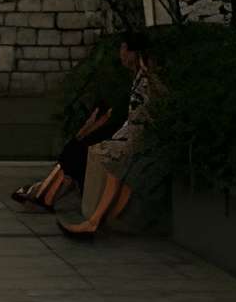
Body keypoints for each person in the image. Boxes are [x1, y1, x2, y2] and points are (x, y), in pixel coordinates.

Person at [58, 31, 162, 239]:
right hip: (133, 135)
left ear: (133, 52)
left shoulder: (148, 78)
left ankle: (95, 221)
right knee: (111, 164)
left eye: (124, 49)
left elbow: (149, 112)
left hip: (141, 137)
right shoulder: (140, 77)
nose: (120, 54)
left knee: (115, 165)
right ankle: (96, 220)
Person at [10, 97, 119, 211]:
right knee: (72, 150)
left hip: (93, 151)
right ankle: (43, 192)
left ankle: (41, 191)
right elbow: (81, 137)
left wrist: (86, 129)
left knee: (73, 152)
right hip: (85, 152)